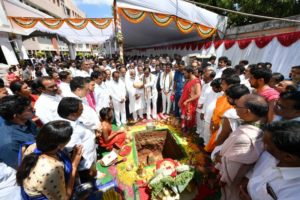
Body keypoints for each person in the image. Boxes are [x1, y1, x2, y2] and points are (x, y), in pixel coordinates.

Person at [215, 94, 268, 200]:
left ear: (247, 111)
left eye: (237, 106)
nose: (234, 108)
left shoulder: (246, 137)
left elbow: (234, 168)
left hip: (233, 184)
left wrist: (223, 177)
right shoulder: (257, 127)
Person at [17, 120, 83, 200]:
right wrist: (74, 165)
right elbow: (65, 198)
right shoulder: (52, 168)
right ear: (60, 145)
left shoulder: (33, 146)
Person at [245, 121, 300, 200]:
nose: (263, 146)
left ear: (288, 157)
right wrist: (248, 179)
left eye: (266, 144)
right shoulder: (271, 156)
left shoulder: (295, 193)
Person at [57, 97, 97, 182]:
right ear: (72, 114)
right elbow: (74, 152)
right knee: (90, 183)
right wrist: (88, 167)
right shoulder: (69, 130)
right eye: (81, 110)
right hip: (85, 166)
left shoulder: (74, 119)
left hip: (90, 157)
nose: (83, 111)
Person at [212, 84, 250, 160]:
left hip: (225, 146)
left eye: (228, 97)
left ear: (235, 99)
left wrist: (216, 144)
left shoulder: (231, 114)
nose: (227, 99)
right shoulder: (250, 111)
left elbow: (224, 135)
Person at [205, 74, 240, 152]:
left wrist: (219, 126)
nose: (221, 85)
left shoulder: (233, 100)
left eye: (223, 84)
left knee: (217, 148)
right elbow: (216, 111)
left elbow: (227, 117)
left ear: (230, 85)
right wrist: (212, 122)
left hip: (221, 129)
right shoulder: (222, 96)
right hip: (214, 125)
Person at [0, 95, 37, 169]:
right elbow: (20, 168)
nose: (34, 109)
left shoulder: (26, 121)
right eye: (29, 109)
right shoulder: (9, 143)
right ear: (15, 116)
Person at [178, 66, 201, 132]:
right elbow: (184, 92)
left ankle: (189, 135)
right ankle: (184, 131)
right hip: (184, 104)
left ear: (190, 73)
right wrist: (180, 101)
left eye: (185, 73)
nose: (184, 75)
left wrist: (187, 100)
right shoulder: (188, 81)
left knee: (189, 121)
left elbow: (198, 94)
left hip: (190, 105)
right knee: (183, 119)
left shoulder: (196, 81)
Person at [202, 78, 223, 145]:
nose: (213, 89)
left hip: (215, 118)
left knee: (211, 133)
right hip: (207, 115)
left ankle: (209, 145)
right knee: (206, 131)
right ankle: (205, 143)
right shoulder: (211, 92)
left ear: (220, 88)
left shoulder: (223, 95)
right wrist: (203, 112)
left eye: (214, 88)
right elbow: (206, 102)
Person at [196, 67, 215, 137]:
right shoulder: (204, 83)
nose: (203, 76)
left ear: (210, 77)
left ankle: (202, 137)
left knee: (203, 123)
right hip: (199, 106)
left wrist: (203, 108)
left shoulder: (211, 86)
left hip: (204, 108)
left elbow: (208, 99)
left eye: (205, 75)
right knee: (199, 122)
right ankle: (199, 133)